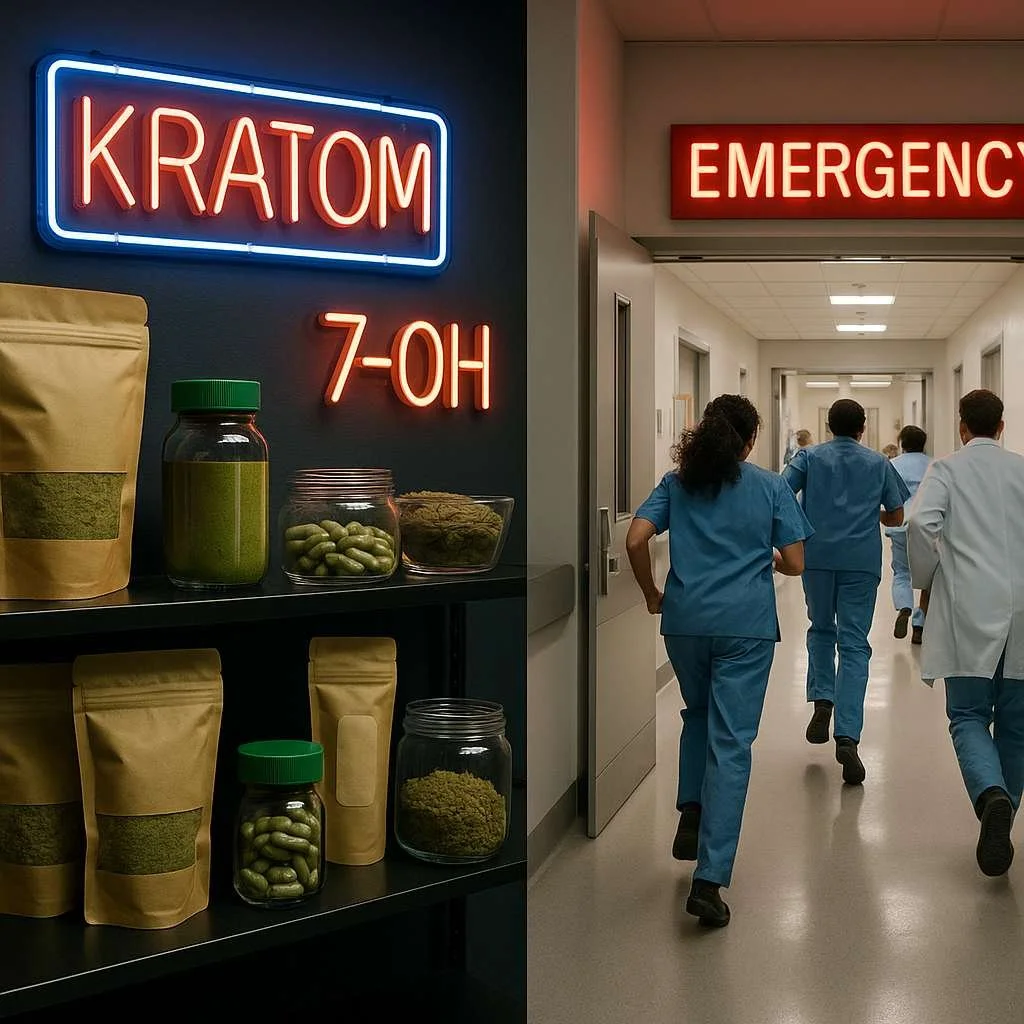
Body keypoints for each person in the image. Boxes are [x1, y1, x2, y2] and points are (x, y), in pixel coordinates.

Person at [626, 395, 812, 928]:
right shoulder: (770, 486)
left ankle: (691, 809)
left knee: (698, 714)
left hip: (685, 623)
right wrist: (766, 554)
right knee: (732, 744)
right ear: (749, 441)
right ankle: (709, 879)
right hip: (745, 627)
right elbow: (796, 563)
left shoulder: (677, 482)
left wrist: (650, 592)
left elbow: (636, 537)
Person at [907, 390, 1024, 877]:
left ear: (962, 427)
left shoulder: (948, 470)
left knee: (969, 714)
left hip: (970, 607)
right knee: (1017, 726)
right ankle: (1002, 818)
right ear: (1001, 426)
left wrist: (925, 577)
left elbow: (917, 522)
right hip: (1023, 608)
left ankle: (990, 794)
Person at [783, 399, 909, 785]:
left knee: (821, 629)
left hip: (817, 557)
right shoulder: (878, 463)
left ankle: (823, 701)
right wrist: (873, 513)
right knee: (854, 645)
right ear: (863, 427)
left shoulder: (808, 458)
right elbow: (897, 514)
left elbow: (781, 494)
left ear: (827, 424)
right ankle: (848, 736)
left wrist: (805, 523)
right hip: (860, 561)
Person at [887, 425, 931, 644]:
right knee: (928, 578)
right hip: (927, 527)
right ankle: (919, 623)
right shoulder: (934, 465)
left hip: (900, 524)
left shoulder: (892, 465)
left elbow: (886, 496)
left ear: (902, 443)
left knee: (901, 572)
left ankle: (904, 606)